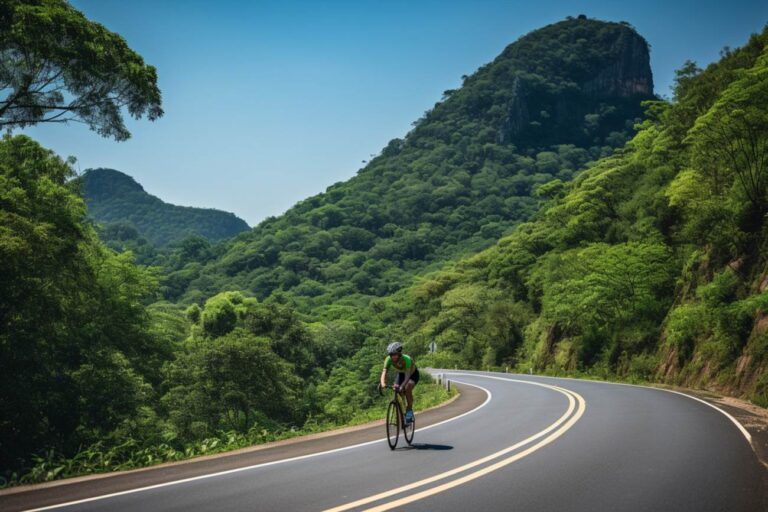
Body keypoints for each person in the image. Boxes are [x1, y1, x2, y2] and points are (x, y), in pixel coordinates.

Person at [380, 341, 419, 424]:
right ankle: (401, 408)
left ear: (399, 353)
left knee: (407, 387)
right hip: (401, 374)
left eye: (395, 354)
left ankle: (409, 410)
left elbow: (407, 376)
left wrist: (402, 386)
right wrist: (383, 383)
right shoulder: (388, 359)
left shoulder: (406, 359)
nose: (393, 357)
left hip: (412, 374)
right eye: (391, 355)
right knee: (396, 388)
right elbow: (384, 372)